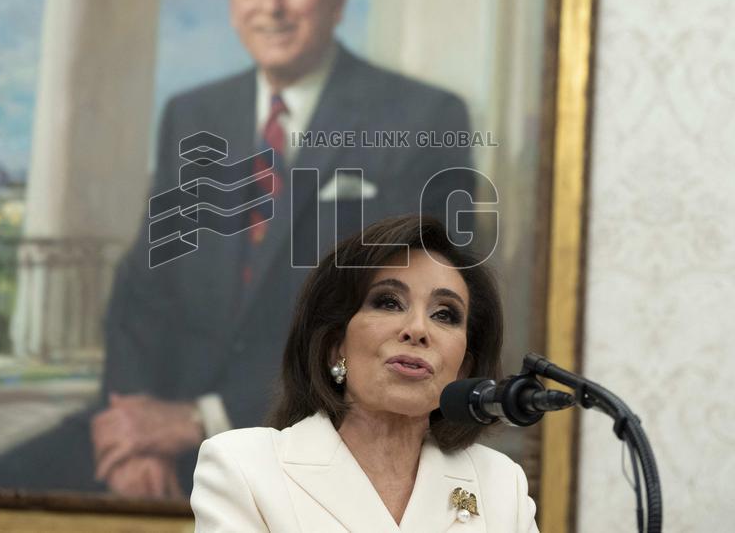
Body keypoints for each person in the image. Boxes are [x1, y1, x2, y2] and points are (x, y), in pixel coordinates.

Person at [0, 0, 474, 497]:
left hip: (313, 438)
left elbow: (403, 324)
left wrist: (200, 420)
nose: (272, 7)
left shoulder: (422, 117)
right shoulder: (193, 115)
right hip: (154, 426)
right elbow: (140, 292)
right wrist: (131, 433)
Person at [191, 215, 537, 532]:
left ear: (464, 367)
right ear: (333, 345)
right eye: (388, 302)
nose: (417, 329)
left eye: (445, 315)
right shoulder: (245, 468)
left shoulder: (500, 486)